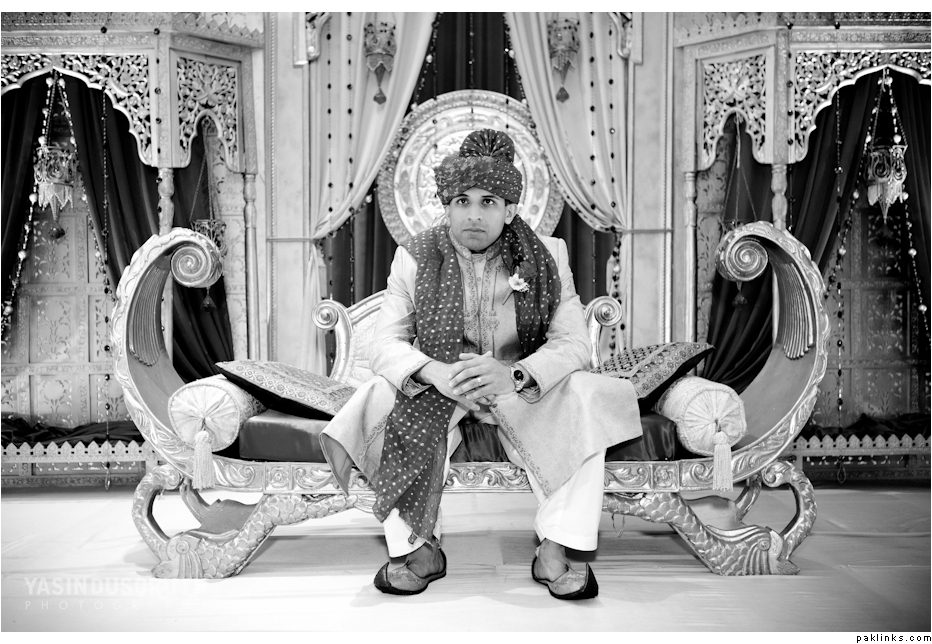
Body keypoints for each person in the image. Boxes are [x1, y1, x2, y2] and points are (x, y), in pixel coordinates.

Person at [320, 129, 642, 600]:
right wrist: (432, 372)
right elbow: (384, 343)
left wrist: (513, 375)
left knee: (587, 395)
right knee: (378, 395)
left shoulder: (547, 255)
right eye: (462, 201)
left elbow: (573, 342)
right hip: (441, 393)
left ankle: (554, 549)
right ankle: (418, 549)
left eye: (488, 201)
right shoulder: (413, 257)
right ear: (446, 207)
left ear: (509, 209)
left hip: (519, 392)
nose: (473, 214)